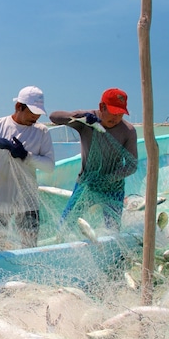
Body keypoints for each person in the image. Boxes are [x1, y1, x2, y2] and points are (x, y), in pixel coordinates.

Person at [0, 86, 55, 248]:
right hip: (0, 199)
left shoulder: (42, 131)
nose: (35, 117)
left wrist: (26, 156)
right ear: (18, 107)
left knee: (29, 247)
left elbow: (49, 166)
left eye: (38, 113)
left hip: (28, 201)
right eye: (32, 112)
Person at [49, 88, 138, 231]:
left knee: (113, 229)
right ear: (102, 106)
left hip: (113, 187)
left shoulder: (128, 131)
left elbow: (132, 165)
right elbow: (54, 117)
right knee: (67, 223)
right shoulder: (86, 121)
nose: (116, 118)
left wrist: (108, 179)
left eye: (121, 113)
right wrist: (79, 116)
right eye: (114, 112)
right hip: (87, 184)